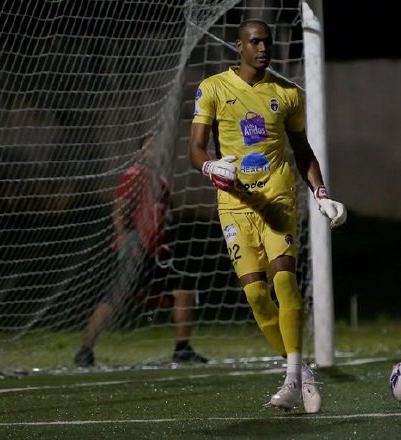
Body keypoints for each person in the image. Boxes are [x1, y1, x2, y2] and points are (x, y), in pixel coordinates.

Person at [188, 18, 347, 413]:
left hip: (278, 201)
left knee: (284, 282)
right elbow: (195, 149)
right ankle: (301, 371)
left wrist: (322, 193)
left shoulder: (288, 94)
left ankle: (292, 378)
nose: (263, 49)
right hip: (235, 206)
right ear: (237, 46)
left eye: (267, 42)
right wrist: (211, 168)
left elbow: (302, 151)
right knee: (258, 297)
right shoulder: (212, 89)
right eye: (254, 42)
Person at [74, 135, 208, 367]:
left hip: (159, 253)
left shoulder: (162, 181)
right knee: (112, 301)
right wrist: (124, 240)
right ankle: (85, 350)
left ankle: (183, 349)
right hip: (137, 252)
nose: (156, 150)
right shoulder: (133, 176)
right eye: (150, 147)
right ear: (142, 152)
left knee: (185, 287)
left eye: (159, 146)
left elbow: (164, 216)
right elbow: (119, 211)